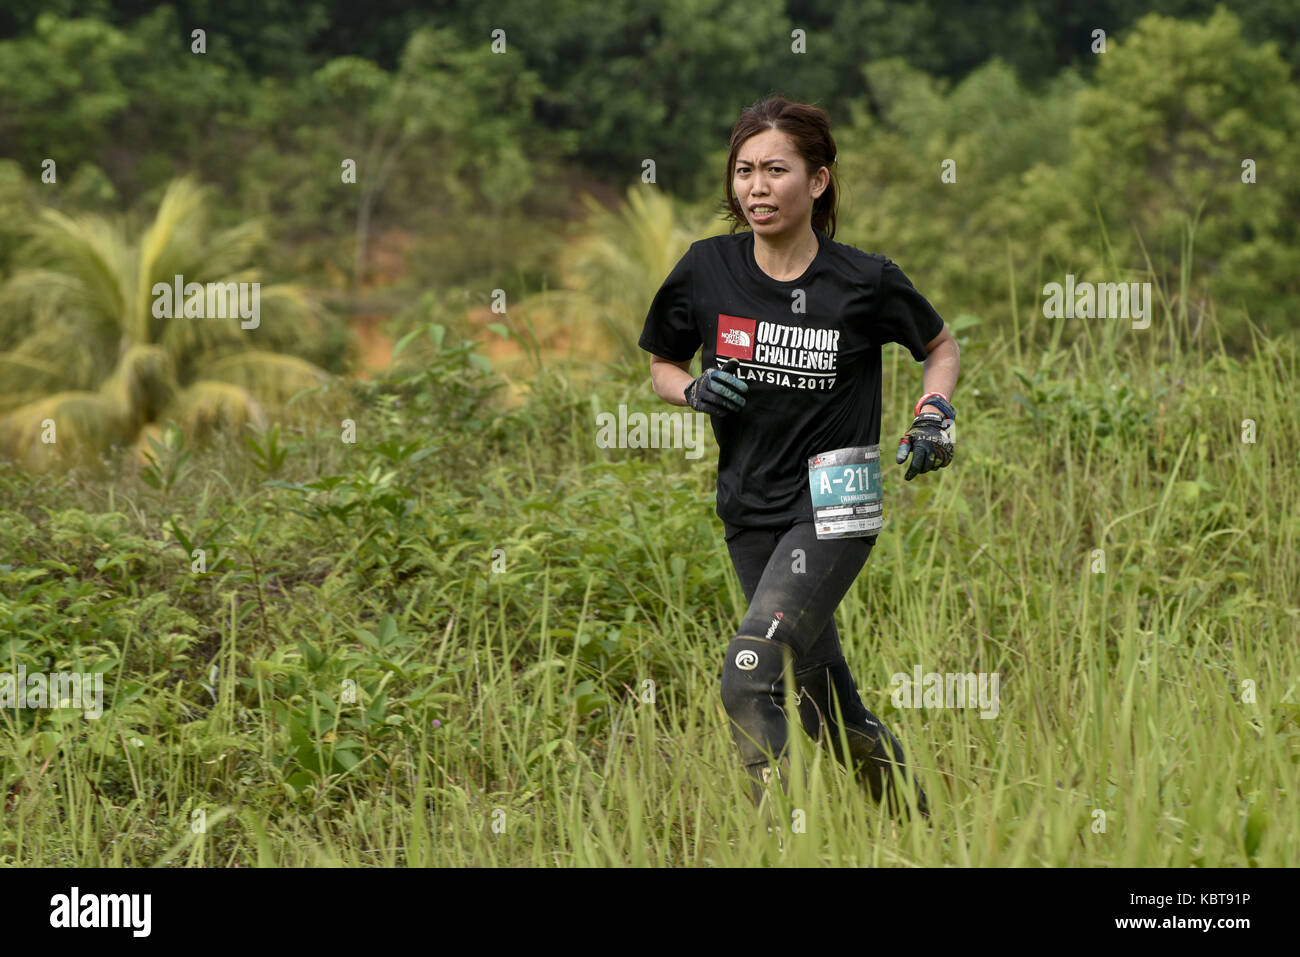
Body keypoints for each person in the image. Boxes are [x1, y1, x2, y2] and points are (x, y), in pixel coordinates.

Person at [637, 96, 959, 820]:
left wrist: (933, 413)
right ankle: (924, 832)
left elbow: (939, 346)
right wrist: (691, 389)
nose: (755, 187)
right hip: (750, 507)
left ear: (816, 181)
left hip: (836, 502)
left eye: (775, 169)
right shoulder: (706, 269)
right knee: (824, 707)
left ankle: (781, 841)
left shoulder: (863, 281)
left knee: (748, 678)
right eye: (744, 170)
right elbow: (661, 362)